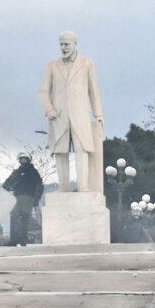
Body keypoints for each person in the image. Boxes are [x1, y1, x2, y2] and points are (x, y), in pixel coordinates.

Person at [38, 31, 104, 193]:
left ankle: (83, 186)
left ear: (75, 44)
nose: (63, 47)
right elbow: (44, 91)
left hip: (80, 115)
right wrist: (49, 109)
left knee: (82, 150)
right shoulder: (52, 65)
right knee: (60, 152)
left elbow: (93, 91)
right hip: (59, 116)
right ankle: (64, 187)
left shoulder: (87, 64)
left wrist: (98, 115)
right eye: (61, 44)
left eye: (66, 44)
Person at [3, 151, 44, 246]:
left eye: (25, 159)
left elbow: (39, 185)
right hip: (16, 197)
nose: (23, 161)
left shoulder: (33, 172)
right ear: (19, 160)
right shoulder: (16, 172)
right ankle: (13, 240)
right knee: (14, 217)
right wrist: (6, 188)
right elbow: (7, 182)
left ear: (29, 160)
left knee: (24, 218)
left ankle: (23, 240)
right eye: (22, 159)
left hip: (28, 197)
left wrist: (36, 198)